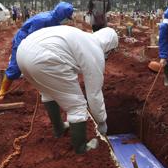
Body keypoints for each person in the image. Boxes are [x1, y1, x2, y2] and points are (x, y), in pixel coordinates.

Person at [16, 26, 118, 154]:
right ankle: (81, 148)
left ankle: (59, 128)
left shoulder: (84, 38)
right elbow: (94, 94)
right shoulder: (95, 51)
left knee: (48, 92)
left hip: (22, 53)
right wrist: (101, 121)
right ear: (110, 47)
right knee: (77, 106)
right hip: (44, 58)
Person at [0, 2, 74, 101]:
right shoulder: (43, 20)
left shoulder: (56, 20)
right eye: (66, 17)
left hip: (40, 41)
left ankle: (46, 90)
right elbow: (32, 38)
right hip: (24, 39)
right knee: (16, 67)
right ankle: (2, 90)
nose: (66, 20)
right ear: (62, 15)